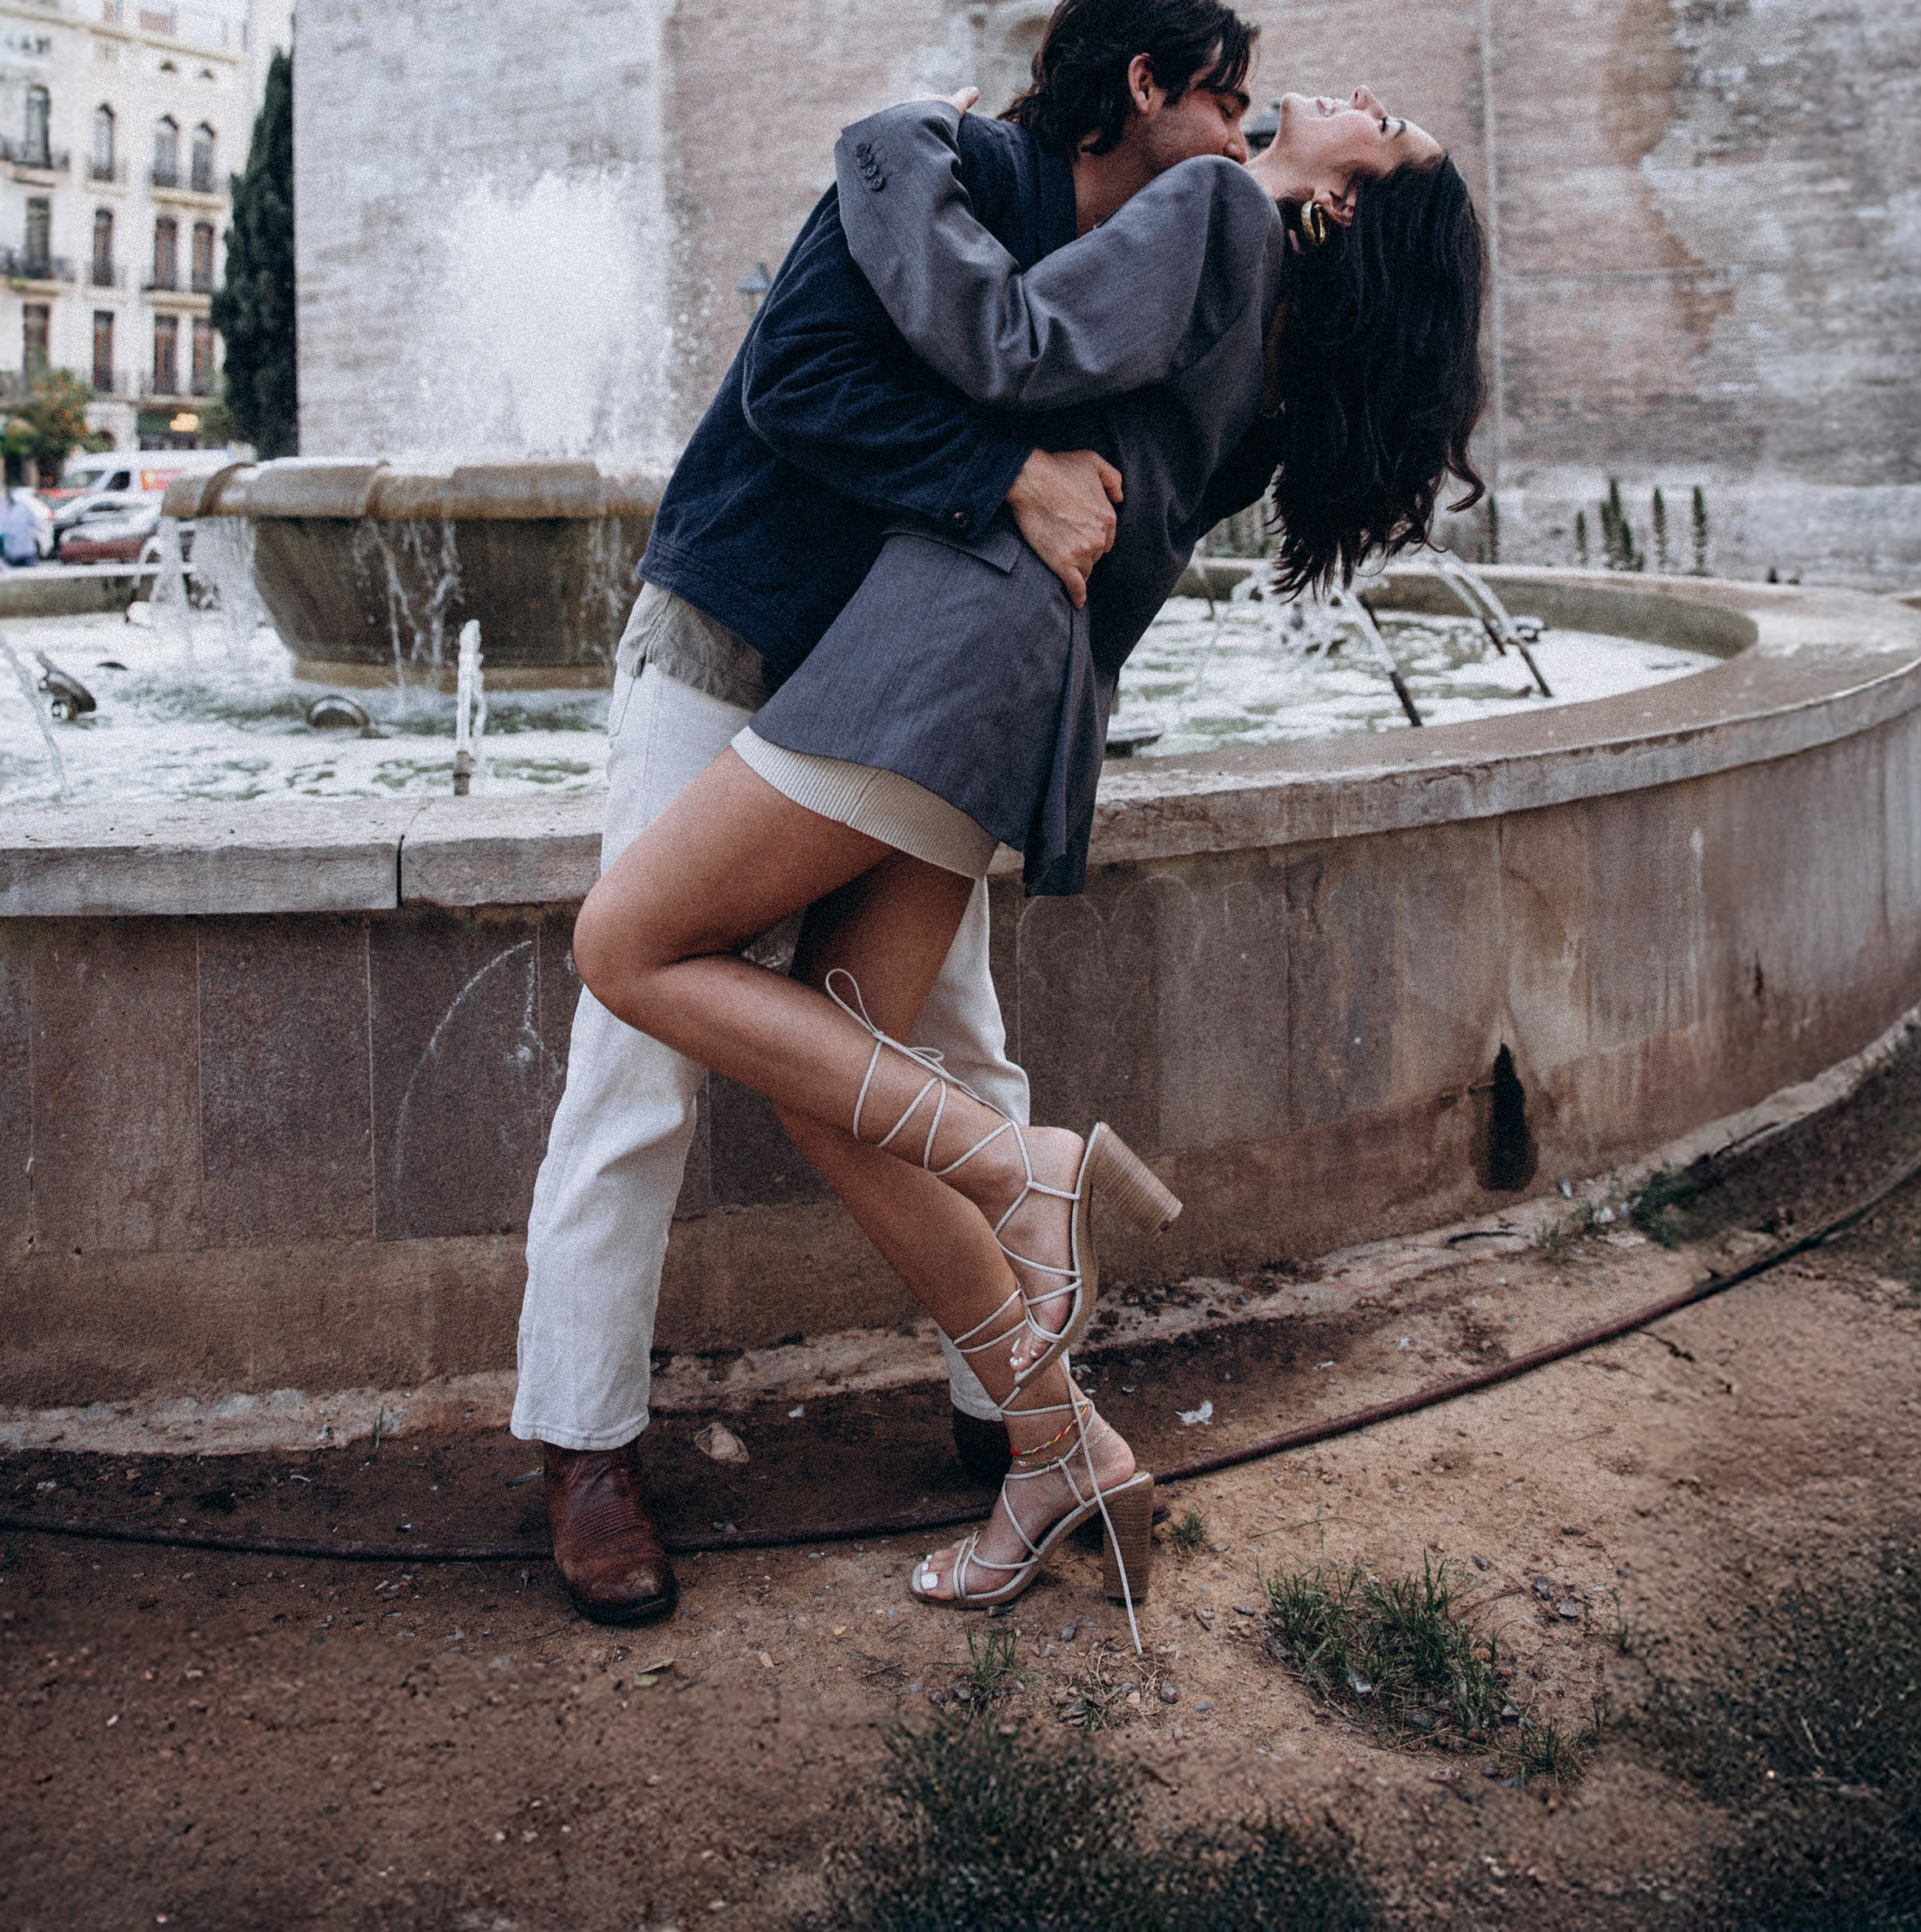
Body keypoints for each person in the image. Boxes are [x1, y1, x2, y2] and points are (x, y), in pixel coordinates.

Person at [573, 78, 1484, 1629]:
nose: (1344, 94)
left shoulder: (1212, 214)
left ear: (1337, 204)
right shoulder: (1278, 377)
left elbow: (1005, 343)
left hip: (941, 648)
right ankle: (1066, 1450)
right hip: (1027, 693)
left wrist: (892, 142)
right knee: (844, 1088)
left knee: (628, 946)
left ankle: (1032, 1164)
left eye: (1381, 124)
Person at [513, 0, 1264, 1626]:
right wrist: (995, 468)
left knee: (950, 1042)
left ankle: (1009, 1405)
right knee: (634, 1058)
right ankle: (583, 1445)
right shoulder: (932, 169)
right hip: (731, 637)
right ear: (1142, 85)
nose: (1238, 137)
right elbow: (796, 386)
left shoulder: (1105, 270)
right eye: (1223, 102)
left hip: (895, 685)